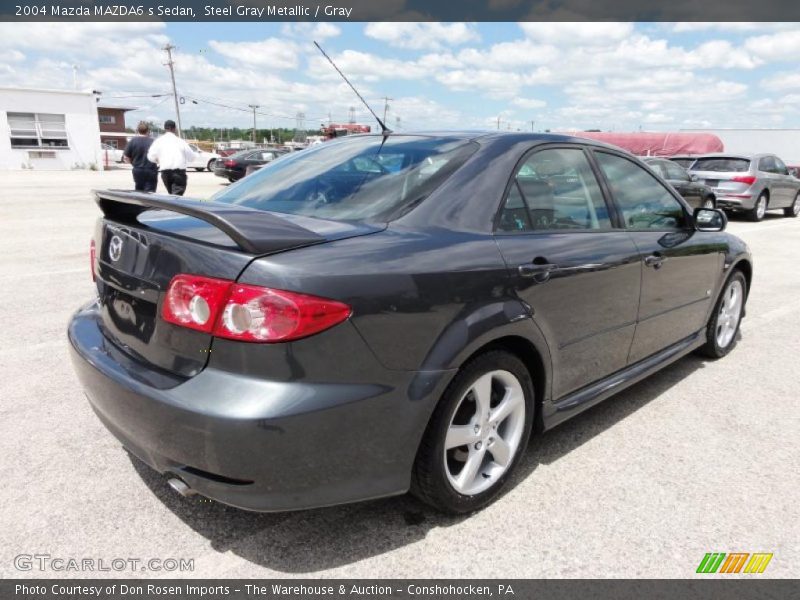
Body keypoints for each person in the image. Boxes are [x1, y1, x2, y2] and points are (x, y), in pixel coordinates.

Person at [146, 119, 196, 195]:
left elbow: (150, 157)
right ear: (174, 128)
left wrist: (158, 161)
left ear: (165, 129)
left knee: (172, 195)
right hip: (179, 173)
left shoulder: (158, 141)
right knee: (176, 197)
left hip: (165, 173)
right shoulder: (180, 141)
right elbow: (192, 157)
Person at [123, 122, 158, 192]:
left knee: (139, 191)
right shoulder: (154, 142)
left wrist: (133, 163)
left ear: (137, 131)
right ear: (148, 131)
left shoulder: (132, 141)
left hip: (137, 170)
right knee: (150, 192)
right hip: (151, 170)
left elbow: (126, 158)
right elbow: (158, 157)